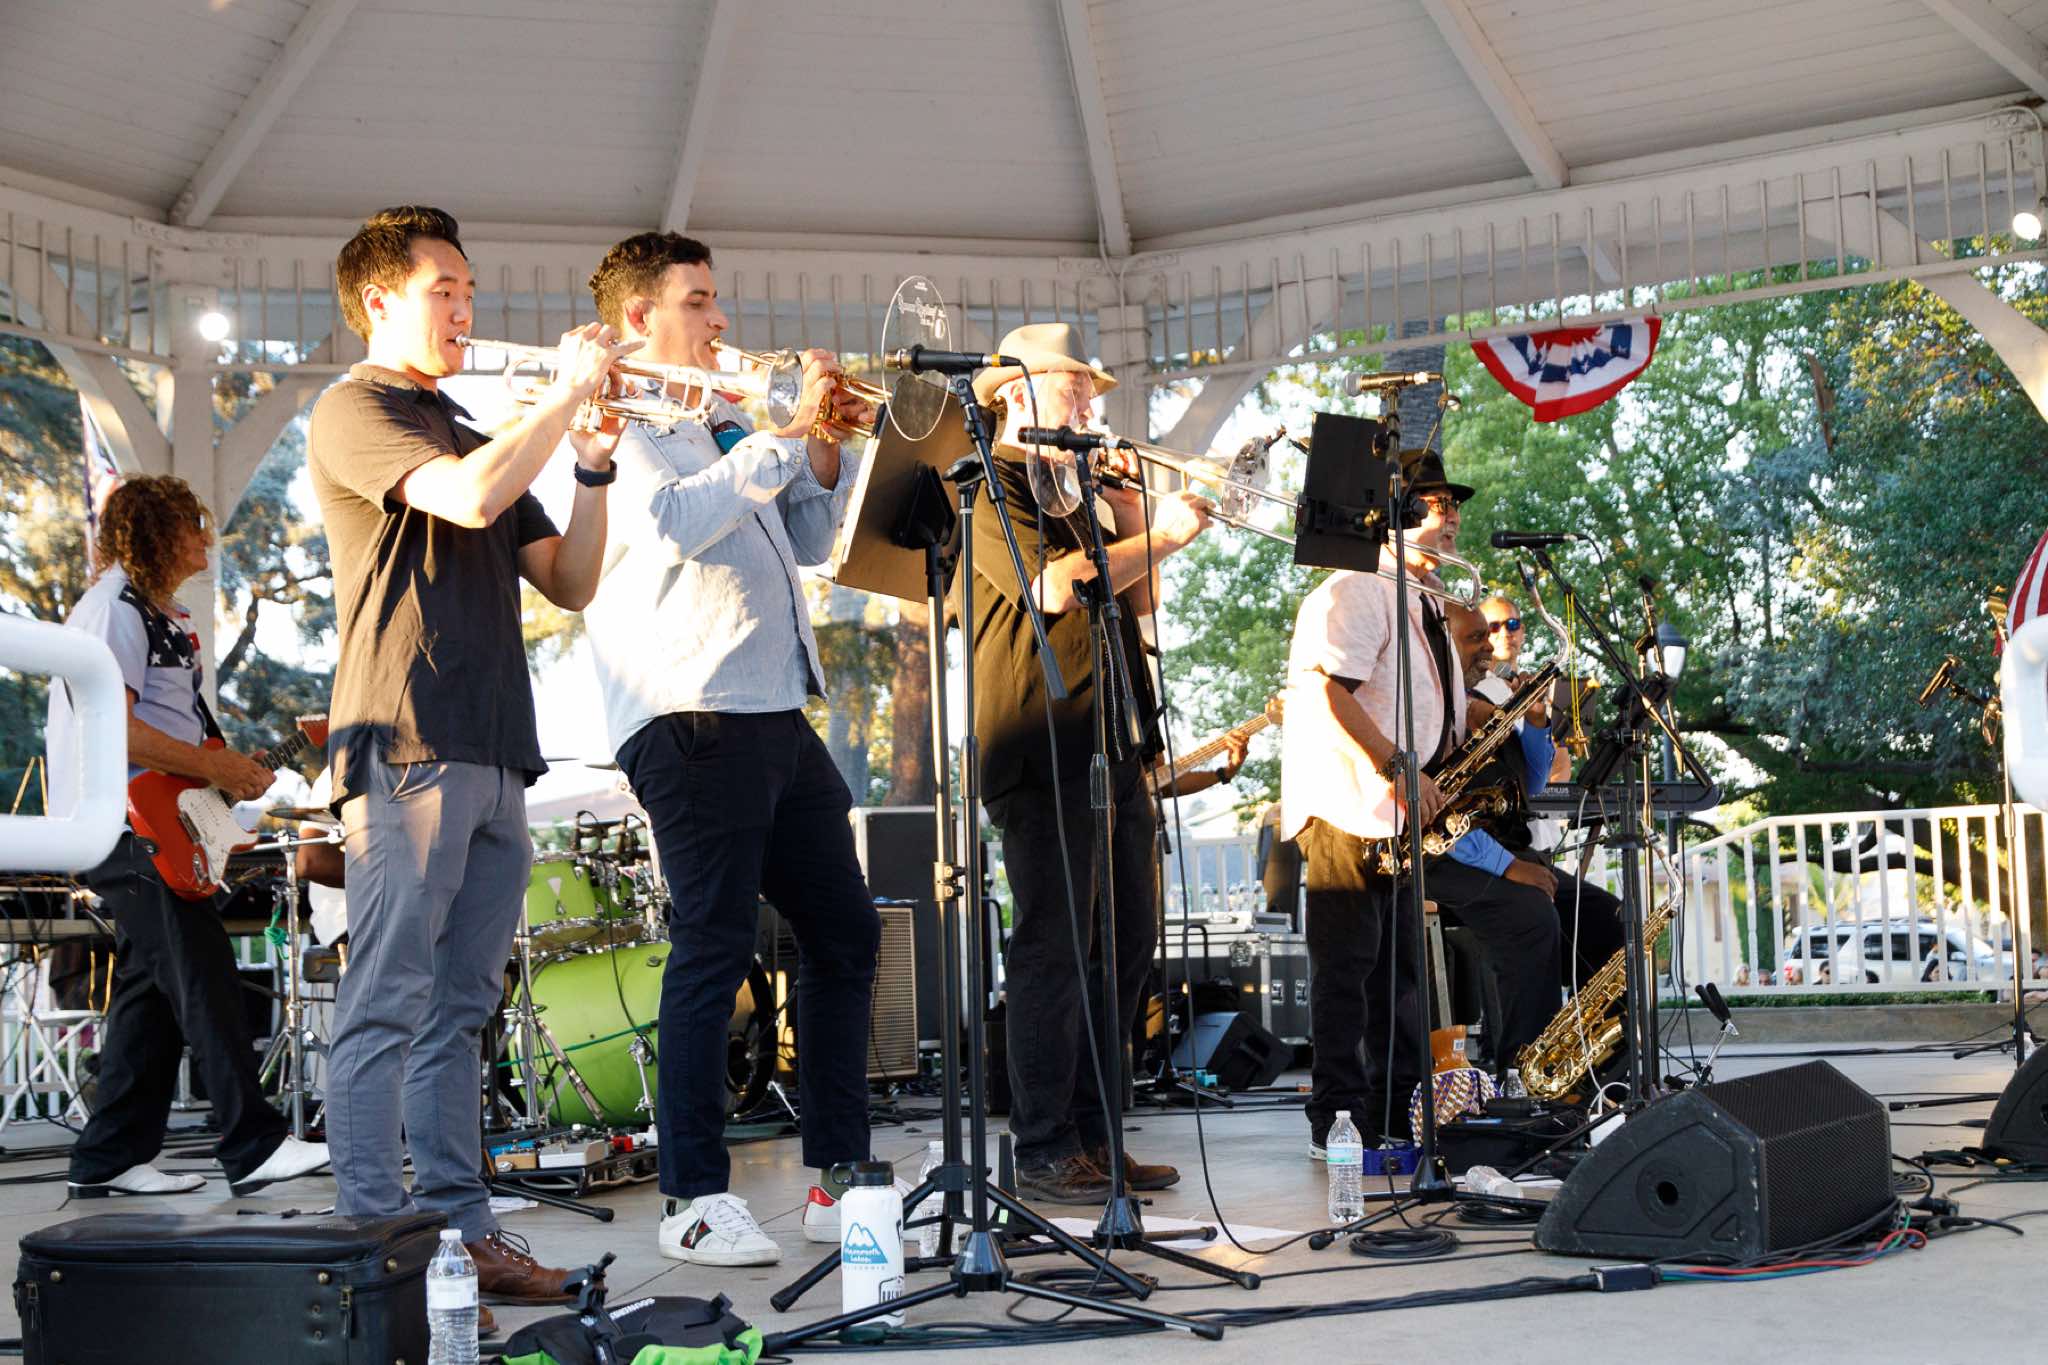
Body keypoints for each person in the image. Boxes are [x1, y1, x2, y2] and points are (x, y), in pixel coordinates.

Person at [308, 205, 632, 1307]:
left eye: (469, 289)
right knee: (387, 999)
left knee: (459, 1011)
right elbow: (467, 495)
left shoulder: (463, 422)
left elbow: (570, 581)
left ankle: (461, 1236)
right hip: (405, 741)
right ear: (378, 300)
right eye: (442, 288)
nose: (465, 306)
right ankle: (375, 1252)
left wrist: (591, 467)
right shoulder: (353, 408)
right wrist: (561, 398)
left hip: (495, 751)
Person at [580, 231, 883, 1267]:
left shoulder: (718, 417)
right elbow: (673, 524)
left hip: (773, 707)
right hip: (691, 711)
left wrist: (819, 446)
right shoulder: (619, 414)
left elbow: (808, 539)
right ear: (638, 317)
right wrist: (780, 434)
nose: (720, 320)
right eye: (698, 301)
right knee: (713, 944)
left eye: (716, 300)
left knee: (844, 934)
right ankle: (694, 1198)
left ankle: (838, 1178)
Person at [968, 323, 1213, 1203]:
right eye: (1072, 386)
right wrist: (1165, 538)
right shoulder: (990, 480)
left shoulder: (1074, 493)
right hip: (1045, 743)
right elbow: (1055, 585)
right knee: (1057, 946)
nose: (1087, 403)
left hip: (1115, 743)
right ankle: (1043, 1145)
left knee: (1125, 945)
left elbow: (1138, 598)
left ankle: (1097, 1134)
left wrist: (1139, 514)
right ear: (1016, 392)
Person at [46, 475, 330, 1199]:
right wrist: (212, 766)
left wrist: (226, 772)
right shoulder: (112, 610)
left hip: (150, 819)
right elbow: (113, 726)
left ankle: (109, 1157)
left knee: (151, 992)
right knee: (204, 977)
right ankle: (252, 1145)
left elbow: (171, 728)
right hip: (122, 823)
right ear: (156, 531)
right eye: (192, 526)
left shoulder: (157, 614)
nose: (207, 539)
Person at [1280, 447, 1470, 1157]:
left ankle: (1393, 1114)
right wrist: (1398, 764)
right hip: (1348, 806)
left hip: (1392, 813)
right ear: (1395, 513)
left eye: (1454, 503)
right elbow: (1331, 690)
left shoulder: (1423, 598)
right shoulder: (1359, 586)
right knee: (1348, 974)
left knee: (1396, 977)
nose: (1450, 515)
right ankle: (1337, 1122)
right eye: (1434, 502)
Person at [1430, 603, 1626, 1078]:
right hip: (1448, 856)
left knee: (1607, 918)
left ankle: (1603, 1073)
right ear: (1441, 647)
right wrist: (1511, 867)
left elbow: (1533, 783)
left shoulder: (1494, 698)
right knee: (1531, 915)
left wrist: (1536, 719)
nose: (1490, 646)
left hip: (1503, 849)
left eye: (1494, 633)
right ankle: (1526, 1077)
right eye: (1477, 637)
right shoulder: (1433, 707)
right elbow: (1442, 820)